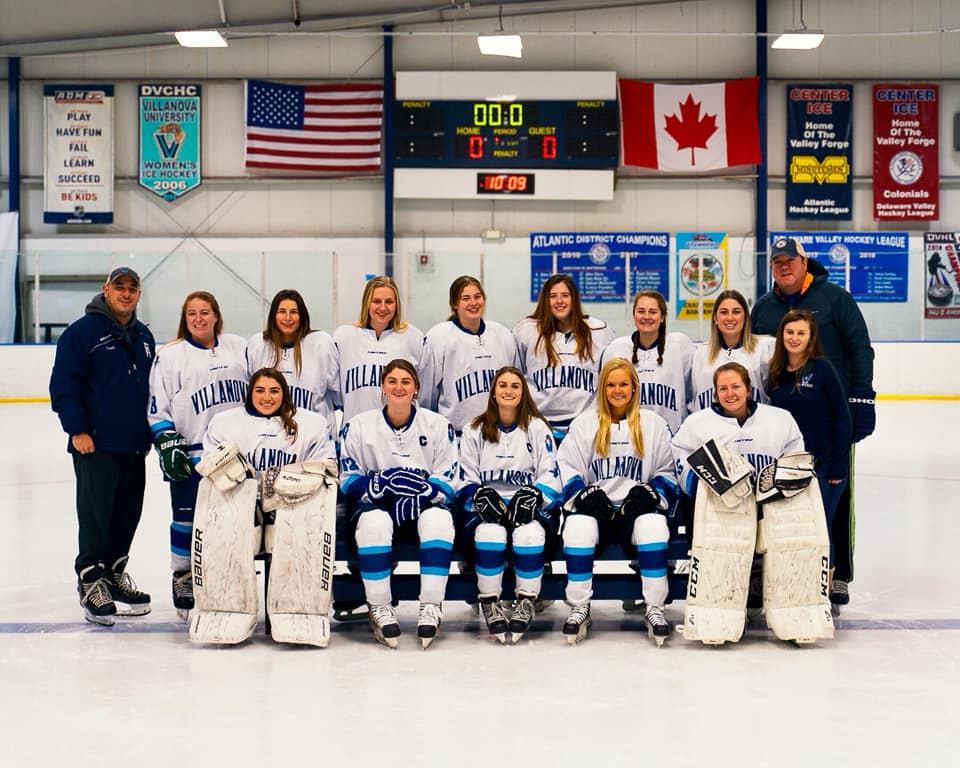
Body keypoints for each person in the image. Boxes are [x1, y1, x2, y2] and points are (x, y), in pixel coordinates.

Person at [751, 236, 875, 610]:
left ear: (805, 263)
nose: (784, 266)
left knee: (836, 497)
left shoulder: (835, 299)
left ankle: (838, 575)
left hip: (832, 419)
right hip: (781, 425)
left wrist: (862, 399)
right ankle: (772, 571)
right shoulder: (765, 308)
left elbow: (860, 347)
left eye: (790, 260)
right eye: (777, 262)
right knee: (778, 500)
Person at [50, 266, 156, 625]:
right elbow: (64, 385)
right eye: (119, 287)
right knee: (96, 516)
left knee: (128, 513)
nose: (126, 294)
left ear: (139, 293)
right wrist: (77, 430)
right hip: (94, 443)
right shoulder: (82, 333)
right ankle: (91, 579)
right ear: (106, 290)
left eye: (132, 288)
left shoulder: (143, 336)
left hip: (133, 444)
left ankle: (113, 574)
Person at [556, 358, 680, 645]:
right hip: (597, 511)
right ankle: (579, 606)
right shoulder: (585, 423)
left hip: (634, 512)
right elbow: (567, 467)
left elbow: (667, 469)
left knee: (653, 526)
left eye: (624, 384)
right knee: (576, 528)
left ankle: (654, 607)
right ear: (602, 388)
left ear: (634, 387)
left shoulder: (653, 423)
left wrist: (651, 492)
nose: (617, 390)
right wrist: (582, 495)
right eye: (611, 385)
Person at [671, 362, 805, 626]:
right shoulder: (697, 423)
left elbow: (794, 452)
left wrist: (779, 485)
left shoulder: (779, 419)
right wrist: (700, 485)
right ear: (714, 393)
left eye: (735, 387)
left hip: (766, 507)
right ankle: (719, 598)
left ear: (749, 388)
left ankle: (763, 587)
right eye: (723, 388)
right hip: (719, 509)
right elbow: (679, 454)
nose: (730, 393)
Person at [339, 358, 458, 648]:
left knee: (439, 521)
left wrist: (424, 492)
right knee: (375, 522)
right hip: (375, 506)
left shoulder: (439, 425)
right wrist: (378, 487)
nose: (399, 387)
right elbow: (346, 476)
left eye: (406, 381)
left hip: (422, 507)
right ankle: (379, 605)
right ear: (383, 386)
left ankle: (431, 605)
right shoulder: (359, 425)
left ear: (416, 388)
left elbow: (450, 476)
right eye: (392, 381)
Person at [148, 290, 248, 617]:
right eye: (192, 313)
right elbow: (156, 407)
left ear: (216, 315)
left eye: (205, 312)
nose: (199, 319)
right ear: (185, 318)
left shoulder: (237, 346)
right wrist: (165, 439)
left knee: (231, 522)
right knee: (187, 519)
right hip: (192, 453)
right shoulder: (171, 355)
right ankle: (183, 575)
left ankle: (223, 578)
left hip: (235, 455)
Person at [456, 366, 563, 643]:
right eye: (503, 385)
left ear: (522, 392)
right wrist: (477, 495)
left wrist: (535, 495)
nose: (508, 391)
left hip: (526, 507)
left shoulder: (537, 427)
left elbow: (551, 473)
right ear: (493, 391)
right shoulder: (473, 429)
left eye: (515, 386)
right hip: (487, 510)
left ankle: (527, 601)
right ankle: (489, 602)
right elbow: (464, 476)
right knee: (490, 534)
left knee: (529, 535)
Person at [768, 309, 853, 582]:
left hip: (826, 467)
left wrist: (839, 467)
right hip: (792, 468)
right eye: (789, 332)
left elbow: (842, 418)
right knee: (797, 528)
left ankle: (822, 586)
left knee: (821, 527)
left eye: (801, 333)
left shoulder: (823, 369)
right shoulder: (777, 373)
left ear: (811, 337)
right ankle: (798, 583)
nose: (794, 338)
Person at [513, 273, 614, 443]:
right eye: (553, 296)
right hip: (537, 426)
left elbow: (609, 379)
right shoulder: (526, 331)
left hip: (585, 427)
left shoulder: (599, 331)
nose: (559, 301)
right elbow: (515, 375)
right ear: (545, 300)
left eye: (565, 295)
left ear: (574, 299)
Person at [419, 275, 520, 434]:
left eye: (477, 297)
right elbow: (427, 394)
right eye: (465, 298)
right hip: (456, 435)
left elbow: (517, 385)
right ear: (454, 304)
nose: (473, 303)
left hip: (498, 432)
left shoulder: (503, 334)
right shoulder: (438, 337)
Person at [246, 289, 339, 443]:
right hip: (272, 438)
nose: (288, 318)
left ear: (302, 315)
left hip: (315, 437)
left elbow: (337, 394)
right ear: (273, 315)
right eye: (282, 311)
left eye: (294, 312)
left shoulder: (321, 343)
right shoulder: (258, 344)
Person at [600, 290, 694, 436]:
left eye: (653, 312)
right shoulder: (616, 348)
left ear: (662, 317)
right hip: (628, 437)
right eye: (641, 311)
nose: (646, 317)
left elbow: (691, 393)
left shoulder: (680, 345)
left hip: (672, 439)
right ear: (634, 315)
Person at [333, 276, 424, 425]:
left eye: (389, 302)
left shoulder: (413, 337)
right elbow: (335, 391)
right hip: (356, 430)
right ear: (366, 303)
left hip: (401, 432)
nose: (383, 308)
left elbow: (424, 391)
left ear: (397, 305)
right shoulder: (344, 336)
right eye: (376, 301)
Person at [688, 289, 775, 414]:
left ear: (745, 317)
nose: (730, 318)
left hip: (754, 426)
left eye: (736, 312)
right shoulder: (700, 353)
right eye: (724, 312)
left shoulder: (765, 347)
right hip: (710, 429)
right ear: (715, 317)